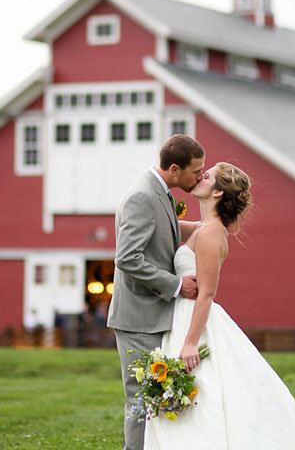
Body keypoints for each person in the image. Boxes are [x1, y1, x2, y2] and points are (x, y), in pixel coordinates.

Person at [144, 162, 295, 450]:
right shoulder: (203, 227)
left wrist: (191, 343)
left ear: (216, 192)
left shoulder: (212, 233)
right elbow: (165, 225)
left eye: (209, 175)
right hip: (180, 316)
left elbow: (206, 294)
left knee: (205, 394)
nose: (202, 176)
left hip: (194, 320)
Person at [107, 134, 205, 450]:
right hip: (138, 318)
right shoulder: (142, 196)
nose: (200, 177)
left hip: (153, 316)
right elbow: (127, 258)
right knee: (140, 398)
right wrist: (176, 285)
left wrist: (213, 225)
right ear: (175, 169)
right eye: (196, 171)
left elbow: (167, 232)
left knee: (155, 396)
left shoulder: (158, 192)